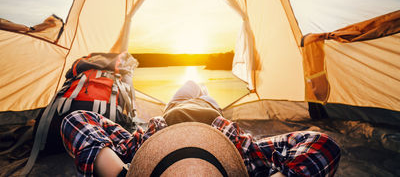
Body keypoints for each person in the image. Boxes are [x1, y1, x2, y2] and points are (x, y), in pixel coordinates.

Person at [61, 81, 341, 177]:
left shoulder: (138, 154)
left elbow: (77, 121)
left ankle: (196, 84)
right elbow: (321, 144)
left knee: (189, 84)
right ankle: (201, 88)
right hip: (210, 111)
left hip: (173, 108)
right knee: (202, 88)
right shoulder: (245, 155)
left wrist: (117, 172)